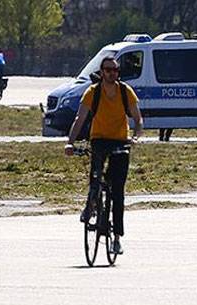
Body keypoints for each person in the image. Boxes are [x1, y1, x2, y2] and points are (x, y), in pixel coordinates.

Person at [63, 56, 144, 255]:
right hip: (99, 139)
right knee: (96, 176)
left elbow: (138, 119)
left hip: (120, 141)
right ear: (102, 72)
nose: (111, 74)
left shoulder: (126, 92)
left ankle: (116, 238)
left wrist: (135, 136)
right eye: (108, 70)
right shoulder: (93, 92)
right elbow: (79, 118)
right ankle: (91, 204)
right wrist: (70, 142)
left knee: (117, 192)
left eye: (115, 70)